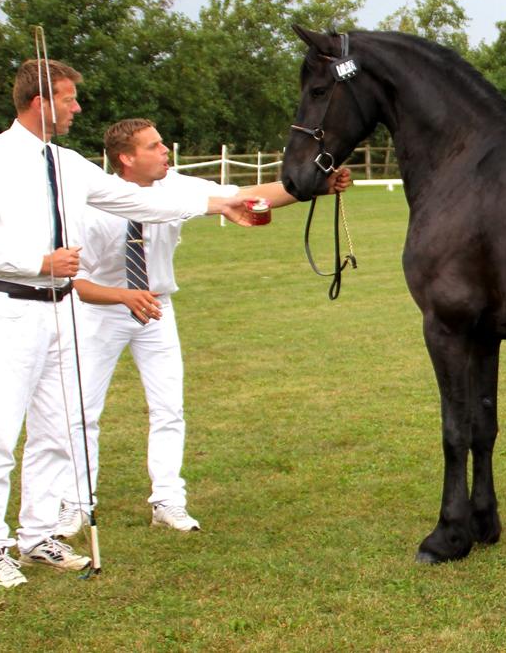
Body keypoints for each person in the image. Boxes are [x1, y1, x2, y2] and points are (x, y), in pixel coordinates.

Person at [0, 59, 251, 589]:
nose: (77, 108)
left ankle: (38, 533)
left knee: (54, 429)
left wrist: (218, 206)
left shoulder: (66, 162)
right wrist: (38, 263)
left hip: (61, 311)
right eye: (68, 99)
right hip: (11, 307)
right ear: (42, 103)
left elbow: (136, 199)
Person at [53, 118, 350, 539]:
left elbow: (244, 195)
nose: (165, 152)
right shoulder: (90, 203)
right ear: (126, 158)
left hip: (157, 308)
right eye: (154, 147)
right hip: (101, 311)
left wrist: (315, 186)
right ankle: (75, 503)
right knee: (83, 410)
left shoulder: (174, 186)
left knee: (168, 408)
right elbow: (72, 281)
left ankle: (168, 500)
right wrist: (122, 296)